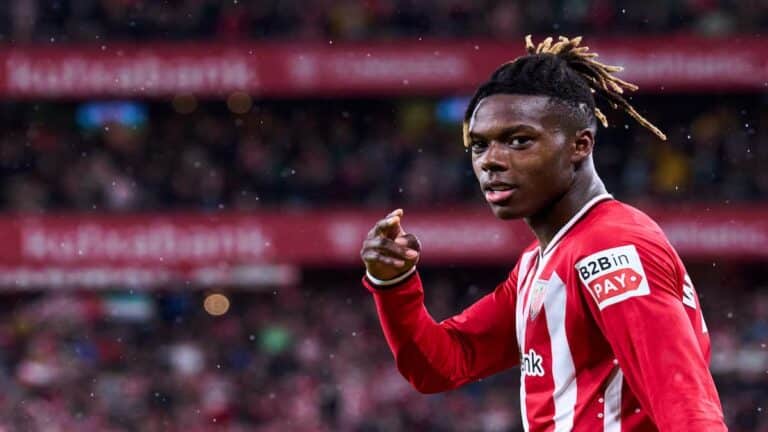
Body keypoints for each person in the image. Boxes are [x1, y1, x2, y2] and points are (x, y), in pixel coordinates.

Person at [360, 35, 727, 431]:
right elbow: (442, 364)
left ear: (579, 145)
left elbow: (688, 411)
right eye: (479, 145)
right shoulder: (541, 261)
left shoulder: (612, 248)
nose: (491, 161)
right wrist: (393, 282)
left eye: (519, 141)